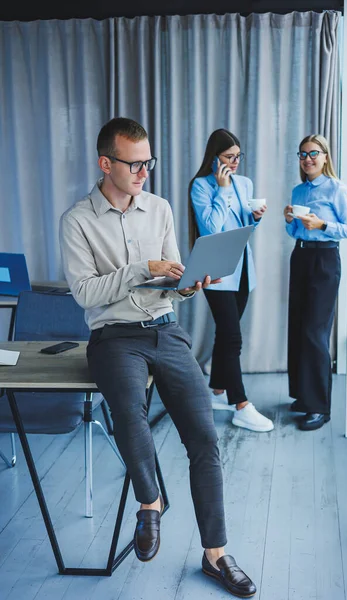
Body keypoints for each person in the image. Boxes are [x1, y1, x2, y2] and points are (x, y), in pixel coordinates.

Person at [59, 117, 256, 598]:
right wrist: (137, 270)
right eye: (135, 163)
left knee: (205, 437)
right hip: (115, 338)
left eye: (149, 161)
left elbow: (170, 278)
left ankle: (216, 555)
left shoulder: (161, 208)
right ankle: (150, 501)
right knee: (130, 415)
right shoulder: (77, 220)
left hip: (165, 330)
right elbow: (85, 294)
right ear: (107, 164)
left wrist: (187, 283)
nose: (145, 171)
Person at [189, 128, 274, 433]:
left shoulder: (245, 182)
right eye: (228, 156)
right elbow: (210, 228)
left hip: (243, 268)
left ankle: (217, 390)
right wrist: (222, 189)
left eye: (238, 156)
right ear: (214, 157)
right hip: (216, 270)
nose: (235, 162)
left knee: (226, 333)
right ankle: (240, 404)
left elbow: (243, 225)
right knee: (233, 336)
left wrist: (256, 216)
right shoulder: (201, 186)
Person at [283, 134, 347, 431]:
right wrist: (290, 222)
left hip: (325, 260)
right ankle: (302, 396)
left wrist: (322, 224)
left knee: (315, 332)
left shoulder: (337, 189)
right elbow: (295, 232)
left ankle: (320, 407)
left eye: (313, 153)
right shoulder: (298, 191)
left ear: (325, 156)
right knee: (298, 327)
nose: (307, 159)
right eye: (302, 154)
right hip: (300, 257)